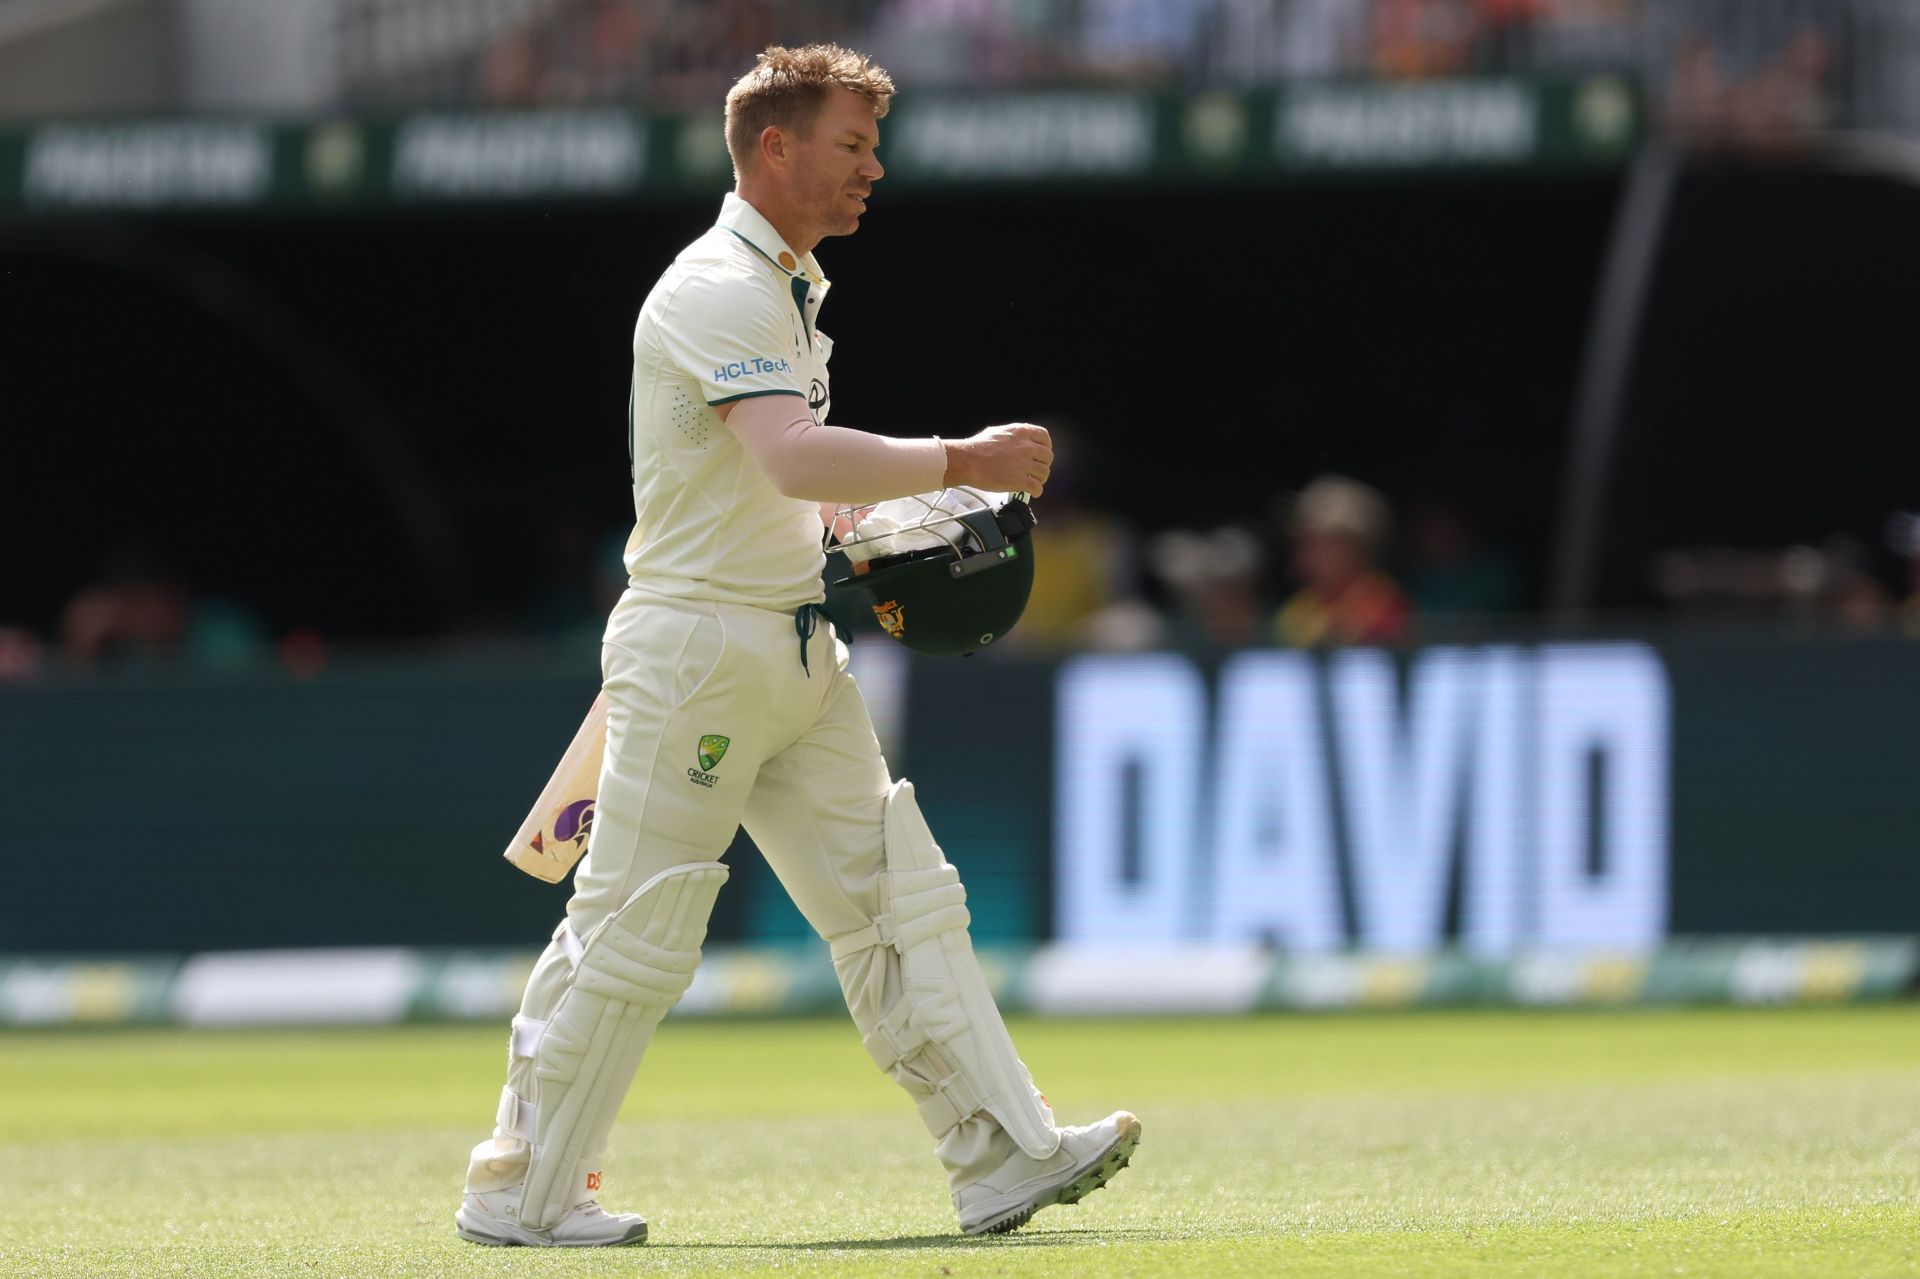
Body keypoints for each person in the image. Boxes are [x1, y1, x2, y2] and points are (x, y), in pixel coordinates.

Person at [455, 43, 1140, 1249]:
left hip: (794, 644)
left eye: (874, 146)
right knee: (636, 924)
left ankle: (1001, 1154)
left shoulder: (789, 286)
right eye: (853, 145)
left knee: (896, 898)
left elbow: (780, 483)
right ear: (775, 148)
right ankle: (522, 1186)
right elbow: (786, 453)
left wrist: (870, 525)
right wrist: (958, 460)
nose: (874, 169)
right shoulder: (715, 282)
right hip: (699, 651)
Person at [1272, 474, 1414, 648]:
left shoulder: (1385, 607)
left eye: (1313, 543)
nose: (1302, 557)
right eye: (1300, 543)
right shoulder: (1298, 610)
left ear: (1353, 548)